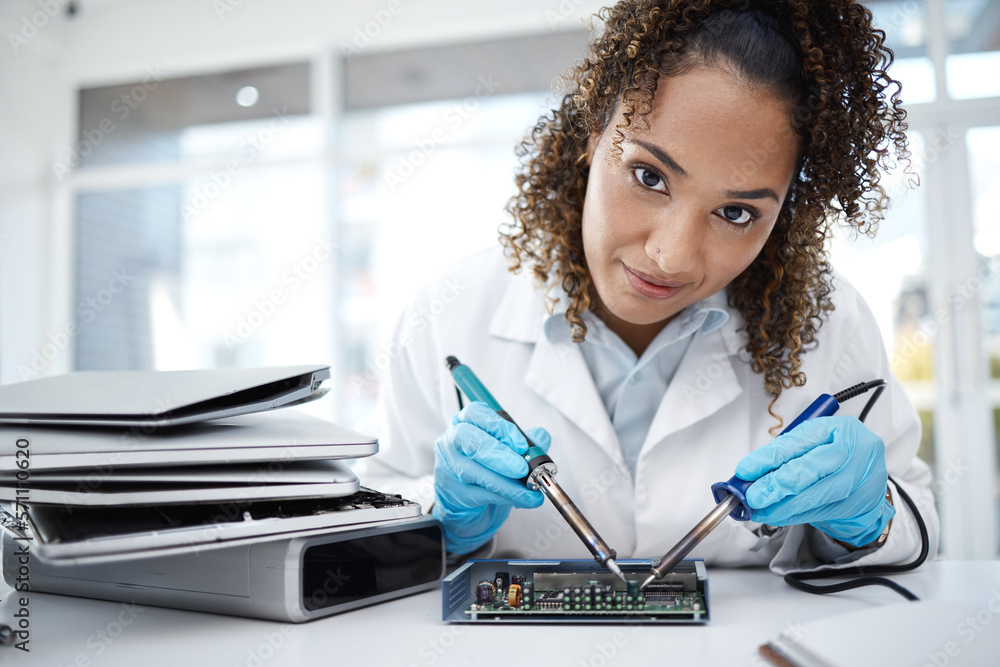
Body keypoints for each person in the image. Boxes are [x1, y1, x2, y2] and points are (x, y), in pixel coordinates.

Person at [359, 0, 939, 574]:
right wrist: (443, 517)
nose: (672, 255)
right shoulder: (447, 314)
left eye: (737, 213)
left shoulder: (832, 324)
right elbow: (364, 531)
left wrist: (871, 516)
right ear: (592, 133)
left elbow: (917, 527)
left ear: (785, 211)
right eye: (649, 176)